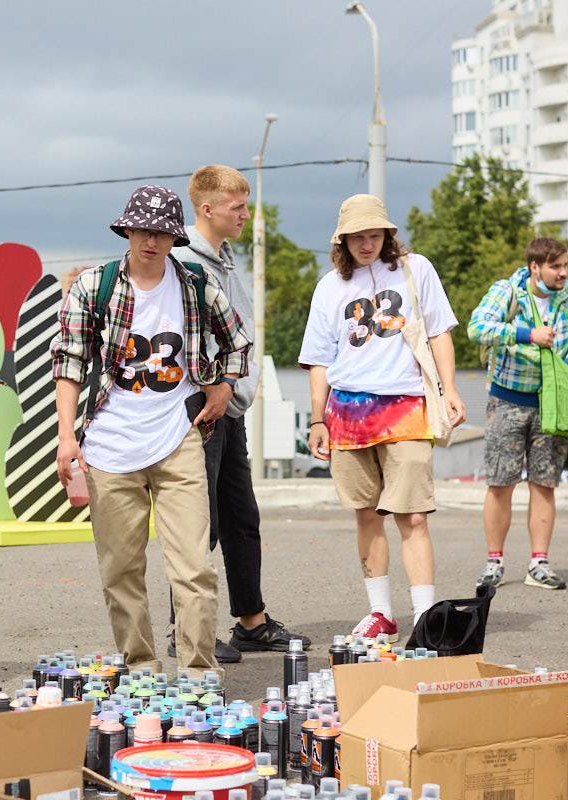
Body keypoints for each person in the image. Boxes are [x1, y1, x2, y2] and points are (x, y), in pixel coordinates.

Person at [51, 185, 251, 675]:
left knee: (193, 569)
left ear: (174, 236)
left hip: (179, 438)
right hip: (109, 446)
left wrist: (223, 386)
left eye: (161, 232)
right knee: (121, 570)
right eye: (142, 229)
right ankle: (141, 669)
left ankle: (201, 674)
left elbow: (239, 344)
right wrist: (66, 437)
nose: (150, 240)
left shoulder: (197, 285)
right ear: (127, 229)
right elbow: (69, 361)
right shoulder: (94, 285)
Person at [301, 194, 465, 642]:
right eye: (358, 236)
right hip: (347, 414)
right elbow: (318, 360)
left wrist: (450, 389)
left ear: (387, 235)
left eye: (375, 234)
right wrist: (317, 419)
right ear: (343, 239)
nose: (367, 243)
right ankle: (381, 614)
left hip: (406, 408)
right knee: (366, 514)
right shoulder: (329, 287)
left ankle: (426, 616)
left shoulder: (416, 268)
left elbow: (438, 332)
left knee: (412, 516)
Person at [166, 165, 310, 663]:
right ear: (207, 209)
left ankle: (251, 622)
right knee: (196, 524)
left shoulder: (225, 260)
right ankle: (185, 629)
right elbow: (182, 336)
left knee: (241, 519)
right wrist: (214, 387)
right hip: (201, 406)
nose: (246, 215)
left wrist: (234, 390)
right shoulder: (183, 260)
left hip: (230, 407)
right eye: (237, 207)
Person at [467, 237, 568, 590]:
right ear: (534, 268)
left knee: (545, 484)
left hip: (550, 403)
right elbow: (477, 327)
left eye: (565, 266)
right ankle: (494, 563)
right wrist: (528, 335)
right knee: (500, 484)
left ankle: (539, 564)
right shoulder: (508, 290)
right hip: (506, 401)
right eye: (556, 267)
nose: (563, 273)